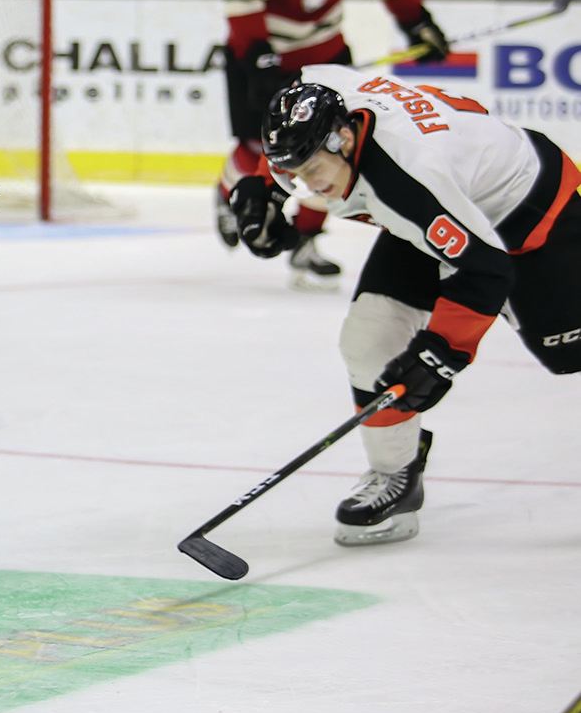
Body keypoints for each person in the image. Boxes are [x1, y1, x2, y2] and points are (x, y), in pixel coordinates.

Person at [227, 70, 580, 546]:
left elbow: (483, 270)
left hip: (529, 207)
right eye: (290, 174)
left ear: (345, 138)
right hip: (446, 209)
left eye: (310, 170)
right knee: (369, 342)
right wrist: (259, 186)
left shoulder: (407, 177)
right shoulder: (323, 96)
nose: (303, 185)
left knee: (567, 354)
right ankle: (396, 473)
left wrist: (441, 353)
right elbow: (289, 96)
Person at [216, 0, 449, 288]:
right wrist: (260, 56)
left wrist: (420, 22)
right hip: (259, 52)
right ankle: (228, 195)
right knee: (254, 146)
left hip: (323, 53)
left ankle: (305, 240)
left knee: (331, 151)